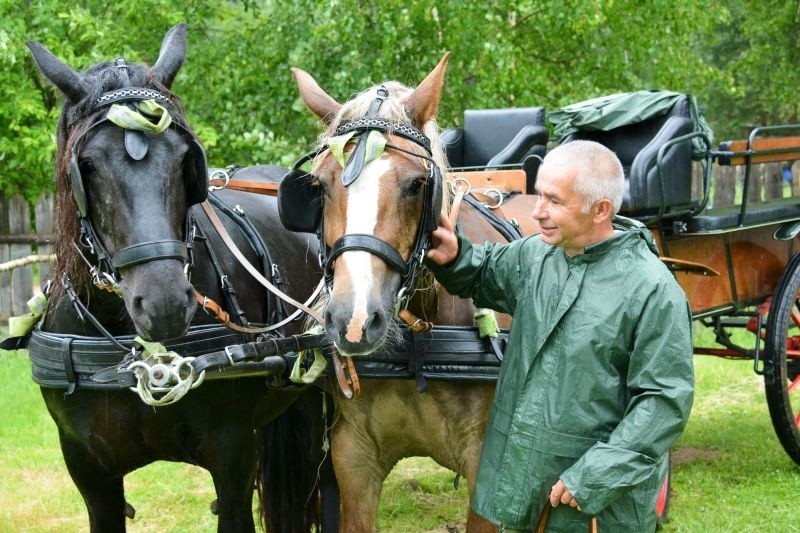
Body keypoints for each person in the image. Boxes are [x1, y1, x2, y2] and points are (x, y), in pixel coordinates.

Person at [425, 140, 694, 532]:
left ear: (600, 210)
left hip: (592, 504)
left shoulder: (653, 290)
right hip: (524, 486)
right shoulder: (536, 255)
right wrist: (456, 258)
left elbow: (662, 402)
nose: (537, 212)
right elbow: (484, 272)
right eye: (539, 196)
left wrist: (595, 475)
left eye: (554, 201)